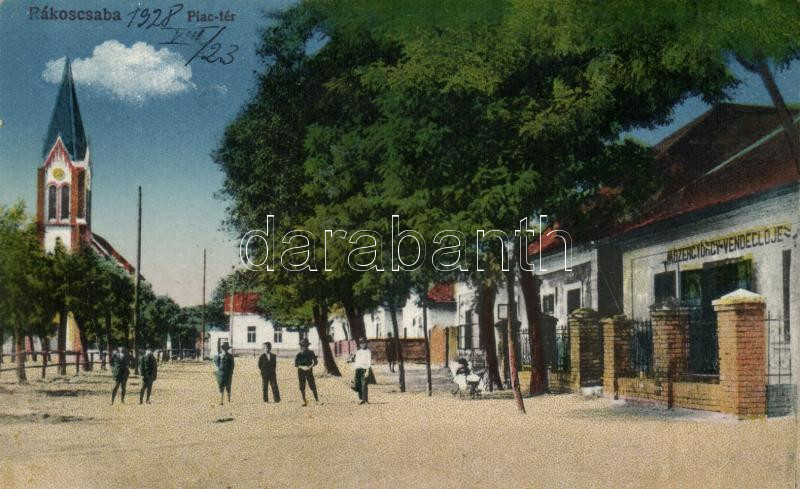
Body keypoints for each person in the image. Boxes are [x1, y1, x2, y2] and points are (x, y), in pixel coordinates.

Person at [294, 338, 319, 406]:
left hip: (309, 371)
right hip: (301, 371)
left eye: (306, 345)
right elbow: (296, 364)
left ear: (308, 346)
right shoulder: (299, 354)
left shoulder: (311, 353)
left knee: (312, 385)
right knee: (302, 386)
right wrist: (303, 367)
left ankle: (317, 400)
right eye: (303, 346)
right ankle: (304, 401)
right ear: (301, 346)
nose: (305, 347)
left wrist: (310, 366)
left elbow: (316, 362)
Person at [353, 337, 372, 404]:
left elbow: (369, 361)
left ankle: (365, 399)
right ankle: (360, 399)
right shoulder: (358, 351)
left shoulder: (368, 351)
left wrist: (367, 370)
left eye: (363, 343)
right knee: (358, 385)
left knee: (364, 384)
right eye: (361, 343)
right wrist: (355, 369)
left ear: (365, 343)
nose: (362, 344)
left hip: (364, 369)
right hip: (358, 369)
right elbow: (356, 361)